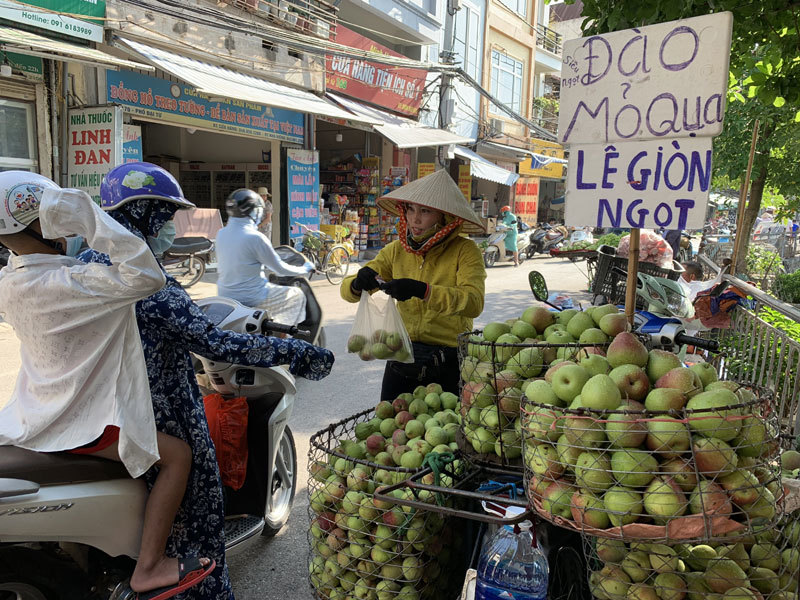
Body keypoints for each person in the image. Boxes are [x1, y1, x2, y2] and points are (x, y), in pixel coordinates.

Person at [80, 162, 334, 600]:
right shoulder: (145, 280)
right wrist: (298, 352)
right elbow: (218, 343)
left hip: (103, 409)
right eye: (165, 216)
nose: (169, 227)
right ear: (143, 214)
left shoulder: (87, 264)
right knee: (198, 512)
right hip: (160, 413)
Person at [0, 171, 216, 599]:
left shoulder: (12, 282)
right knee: (178, 456)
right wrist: (84, 214)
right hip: (78, 423)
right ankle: (149, 566)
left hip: (33, 414)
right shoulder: (73, 283)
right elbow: (147, 275)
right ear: (49, 222)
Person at [340, 169, 486, 400]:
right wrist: (357, 284)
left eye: (425, 211)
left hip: (449, 357)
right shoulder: (396, 250)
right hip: (402, 353)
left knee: (446, 421)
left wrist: (423, 291)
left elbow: (473, 302)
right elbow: (348, 291)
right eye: (410, 209)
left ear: (444, 217)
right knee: (389, 418)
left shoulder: (466, 251)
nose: (414, 219)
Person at [215, 188, 313, 325]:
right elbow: (280, 269)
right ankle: (285, 334)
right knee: (297, 295)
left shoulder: (221, 233)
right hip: (252, 297)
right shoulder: (255, 238)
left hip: (225, 295)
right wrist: (305, 268)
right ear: (254, 212)